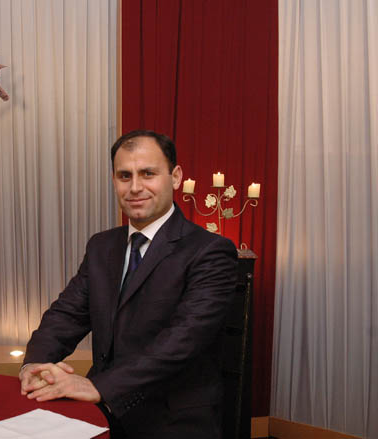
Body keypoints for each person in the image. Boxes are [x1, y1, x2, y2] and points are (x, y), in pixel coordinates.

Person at [19, 130, 238, 438]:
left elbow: (183, 340)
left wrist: (99, 386)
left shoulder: (211, 251)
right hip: (101, 412)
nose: (135, 187)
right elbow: (66, 314)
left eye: (148, 174)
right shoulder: (101, 246)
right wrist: (35, 364)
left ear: (175, 177)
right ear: (114, 180)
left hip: (173, 421)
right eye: (125, 176)